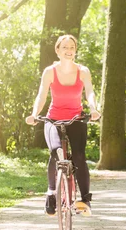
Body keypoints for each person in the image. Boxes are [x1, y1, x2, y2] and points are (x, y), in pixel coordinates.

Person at [26, 35, 101, 217]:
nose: (69, 50)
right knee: (56, 152)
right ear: (58, 51)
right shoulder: (50, 71)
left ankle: (84, 199)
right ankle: (51, 193)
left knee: (79, 155)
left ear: (75, 50)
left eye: (72, 47)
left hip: (76, 119)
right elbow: (41, 94)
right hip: (53, 119)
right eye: (65, 47)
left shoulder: (82, 71)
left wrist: (93, 108)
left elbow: (89, 92)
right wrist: (35, 113)